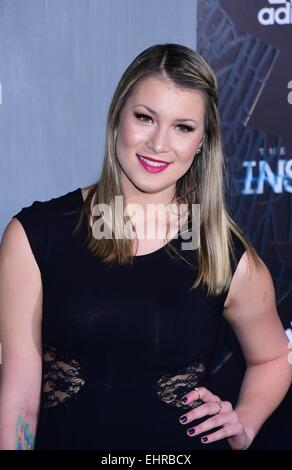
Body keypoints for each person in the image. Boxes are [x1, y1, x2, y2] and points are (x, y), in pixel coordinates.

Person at [0, 43, 291, 451]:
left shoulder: (222, 254)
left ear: (203, 141)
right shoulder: (34, 235)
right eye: (145, 117)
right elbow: (19, 402)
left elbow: (275, 358)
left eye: (183, 127)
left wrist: (244, 425)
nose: (158, 143)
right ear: (118, 116)